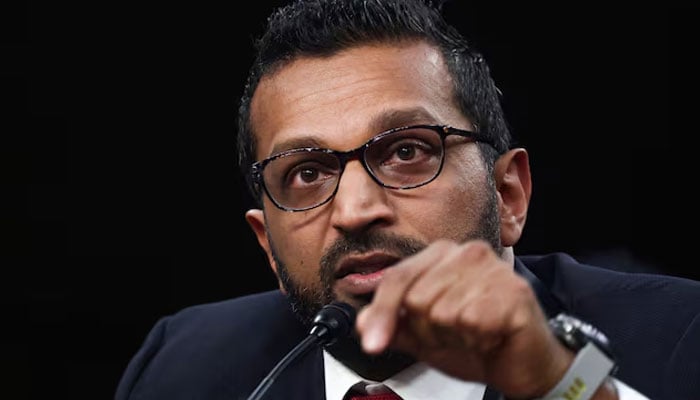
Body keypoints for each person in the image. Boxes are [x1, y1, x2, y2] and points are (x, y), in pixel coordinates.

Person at [115, 1, 700, 399]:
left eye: (405, 152)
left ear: (509, 194)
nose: (353, 210)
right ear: (267, 245)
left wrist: (560, 382)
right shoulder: (184, 366)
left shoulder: (680, 336)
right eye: (308, 173)